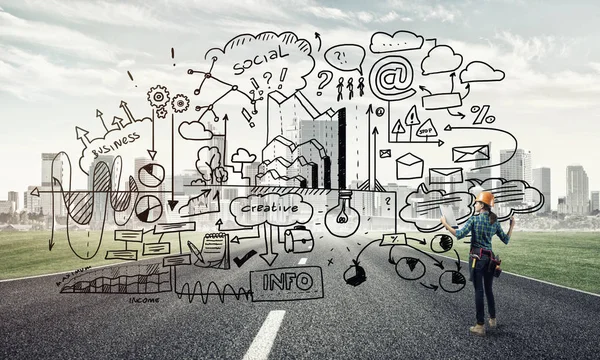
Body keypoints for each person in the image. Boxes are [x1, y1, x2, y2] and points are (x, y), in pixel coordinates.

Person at [441, 191, 515, 337]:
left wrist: (445, 224)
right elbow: (506, 240)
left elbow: (459, 234)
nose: (474, 204)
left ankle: (480, 325)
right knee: (489, 290)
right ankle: (492, 319)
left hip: (477, 258)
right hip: (490, 260)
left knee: (479, 291)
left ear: (482, 205)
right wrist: (512, 226)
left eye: (476, 202)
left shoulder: (474, 220)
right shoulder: (495, 221)